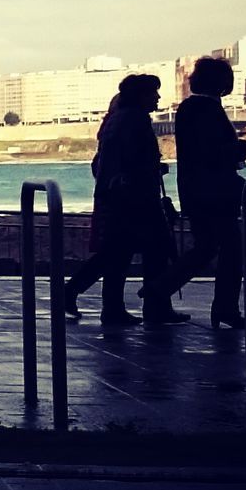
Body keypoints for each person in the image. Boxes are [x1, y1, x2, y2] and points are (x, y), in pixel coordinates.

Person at [145, 57, 246, 329]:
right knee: (230, 249)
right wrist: (243, 147)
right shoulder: (207, 109)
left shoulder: (189, 108)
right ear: (222, 83)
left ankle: (164, 288)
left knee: (206, 245)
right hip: (215, 190)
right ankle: (222, 306)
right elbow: (212, 152)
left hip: (194, 188)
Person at [65, 75, 187, 325]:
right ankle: (154, 304)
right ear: (141, 95)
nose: (158, 97)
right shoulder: (135, 119)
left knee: (116, 253)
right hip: (135, 198)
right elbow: (135, 160)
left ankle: (102, 303)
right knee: (153, 250)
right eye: (154, 92)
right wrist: (152, 170)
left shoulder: (118, 119)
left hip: (120, 197)